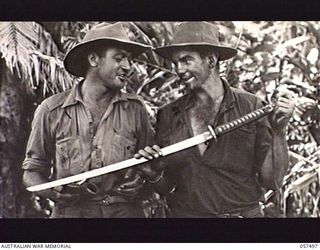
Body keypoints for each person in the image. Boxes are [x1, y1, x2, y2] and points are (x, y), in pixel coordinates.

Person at [135, 22, 295, 218]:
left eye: (187, 60)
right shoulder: (168, 114)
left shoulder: (251, 107)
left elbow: (273, 181)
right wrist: (153, 175)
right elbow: (167, 186)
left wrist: (279, 131)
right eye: (176, 62)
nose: (179, 69)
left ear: (211, 60)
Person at [22, 22, 159, 218]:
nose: (128, 67)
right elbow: (32, 173)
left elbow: (149, 165)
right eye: (119, 58)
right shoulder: (51, 110)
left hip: (124, 214)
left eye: (129, 60)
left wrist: (140, 180)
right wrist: (52, 192)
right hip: (71, 216)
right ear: (94, 59)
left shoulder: (135, 109)